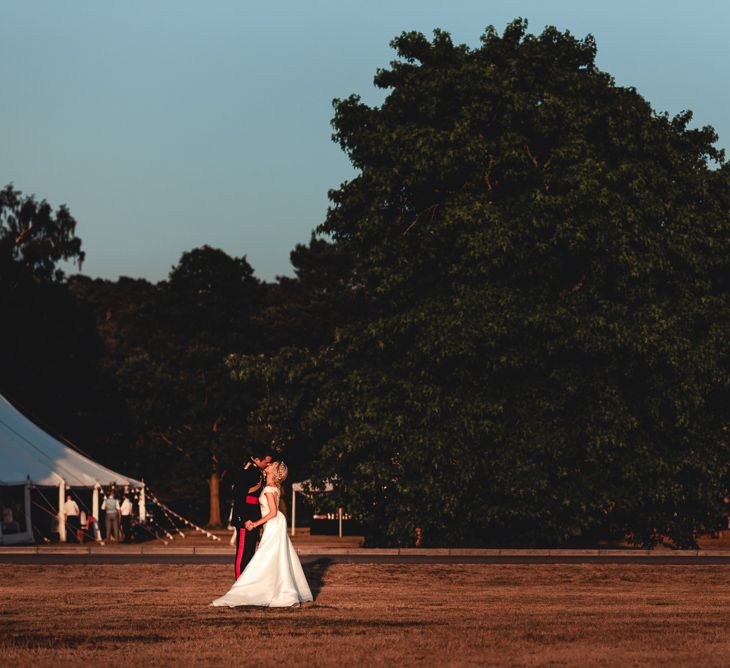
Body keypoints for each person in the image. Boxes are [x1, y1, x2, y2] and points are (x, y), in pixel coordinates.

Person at [212, 460, 313, 608]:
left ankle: (255, 588)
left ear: (274, 471)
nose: (268, 465)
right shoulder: (272, 487)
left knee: (265, 556)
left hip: (273, 524)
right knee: (275, 557)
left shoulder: (269, 489)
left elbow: (272, 513)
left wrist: (255, 524)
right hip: (275, 523)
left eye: (272, 465)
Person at [229, 450, 272, 579]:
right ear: (257, 459)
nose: (267, 464)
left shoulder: (256, 471)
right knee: (243, 553)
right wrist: (245, 519)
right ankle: (239, 583)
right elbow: (240, 497)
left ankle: (246, 582)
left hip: (254, 516)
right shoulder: (246, 471)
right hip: (245, 517)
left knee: (250, 553)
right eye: (266, 462)